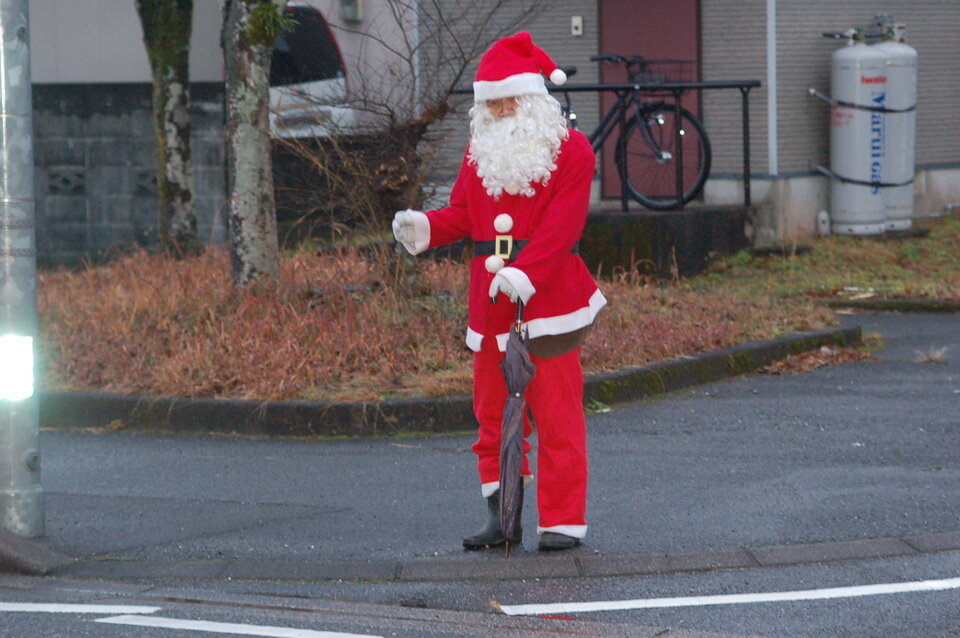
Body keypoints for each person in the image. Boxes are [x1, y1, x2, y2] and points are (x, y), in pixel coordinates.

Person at [392, 32, 606, 552]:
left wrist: (524, 273)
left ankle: (562, 519)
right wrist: (425, 227)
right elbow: (463, 215)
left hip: (550, 299)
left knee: (556, 413)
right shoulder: (478, 152)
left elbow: (562, 228)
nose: (501, 109)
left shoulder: (572, 150)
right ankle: (502, 517)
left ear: (534, 98)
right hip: (490, 306)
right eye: (492, 102)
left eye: (510, 99)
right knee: (493, 415)